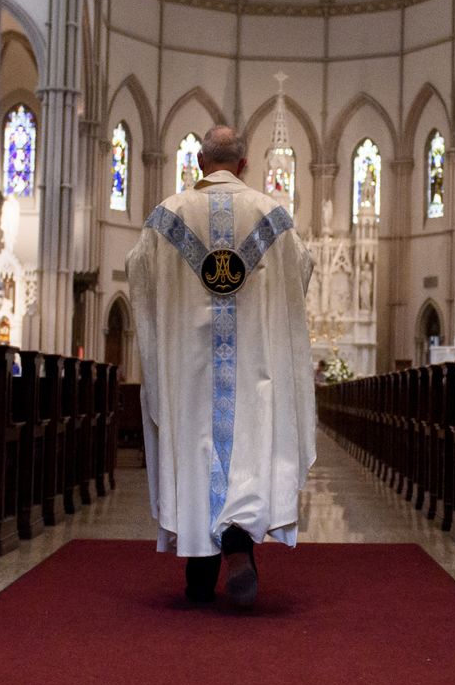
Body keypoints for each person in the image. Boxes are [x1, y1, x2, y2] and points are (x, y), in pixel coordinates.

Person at [127, 124, 315, 609]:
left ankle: (200, 564)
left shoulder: (166, 217)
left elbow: (139, 274)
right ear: (245, 165)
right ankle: (236, 546)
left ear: (198, 164)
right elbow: (303, 270)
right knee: (246, 452)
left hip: (188, 372)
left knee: (197, 453)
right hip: (253, 369)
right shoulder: (272, 216)